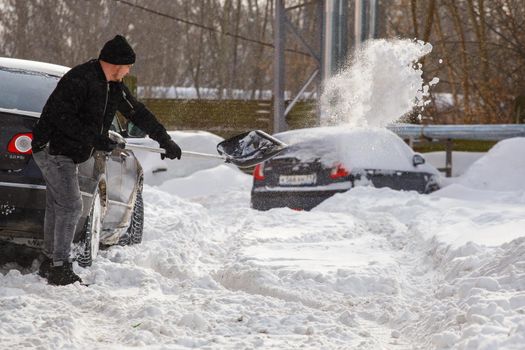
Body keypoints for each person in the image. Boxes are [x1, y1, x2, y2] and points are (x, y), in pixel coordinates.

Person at [31, 35, 182, 286]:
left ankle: (51, 261)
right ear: (115, 64)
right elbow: (61, 117)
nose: (128, 71)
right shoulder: (80, 79)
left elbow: (137, 112)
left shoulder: (114, 86)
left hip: (70, 151)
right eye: (127, 67)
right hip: (52, 148)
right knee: (70, 205)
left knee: (59, 204)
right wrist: (95, 139)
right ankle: (59, 266)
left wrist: (164, 140)